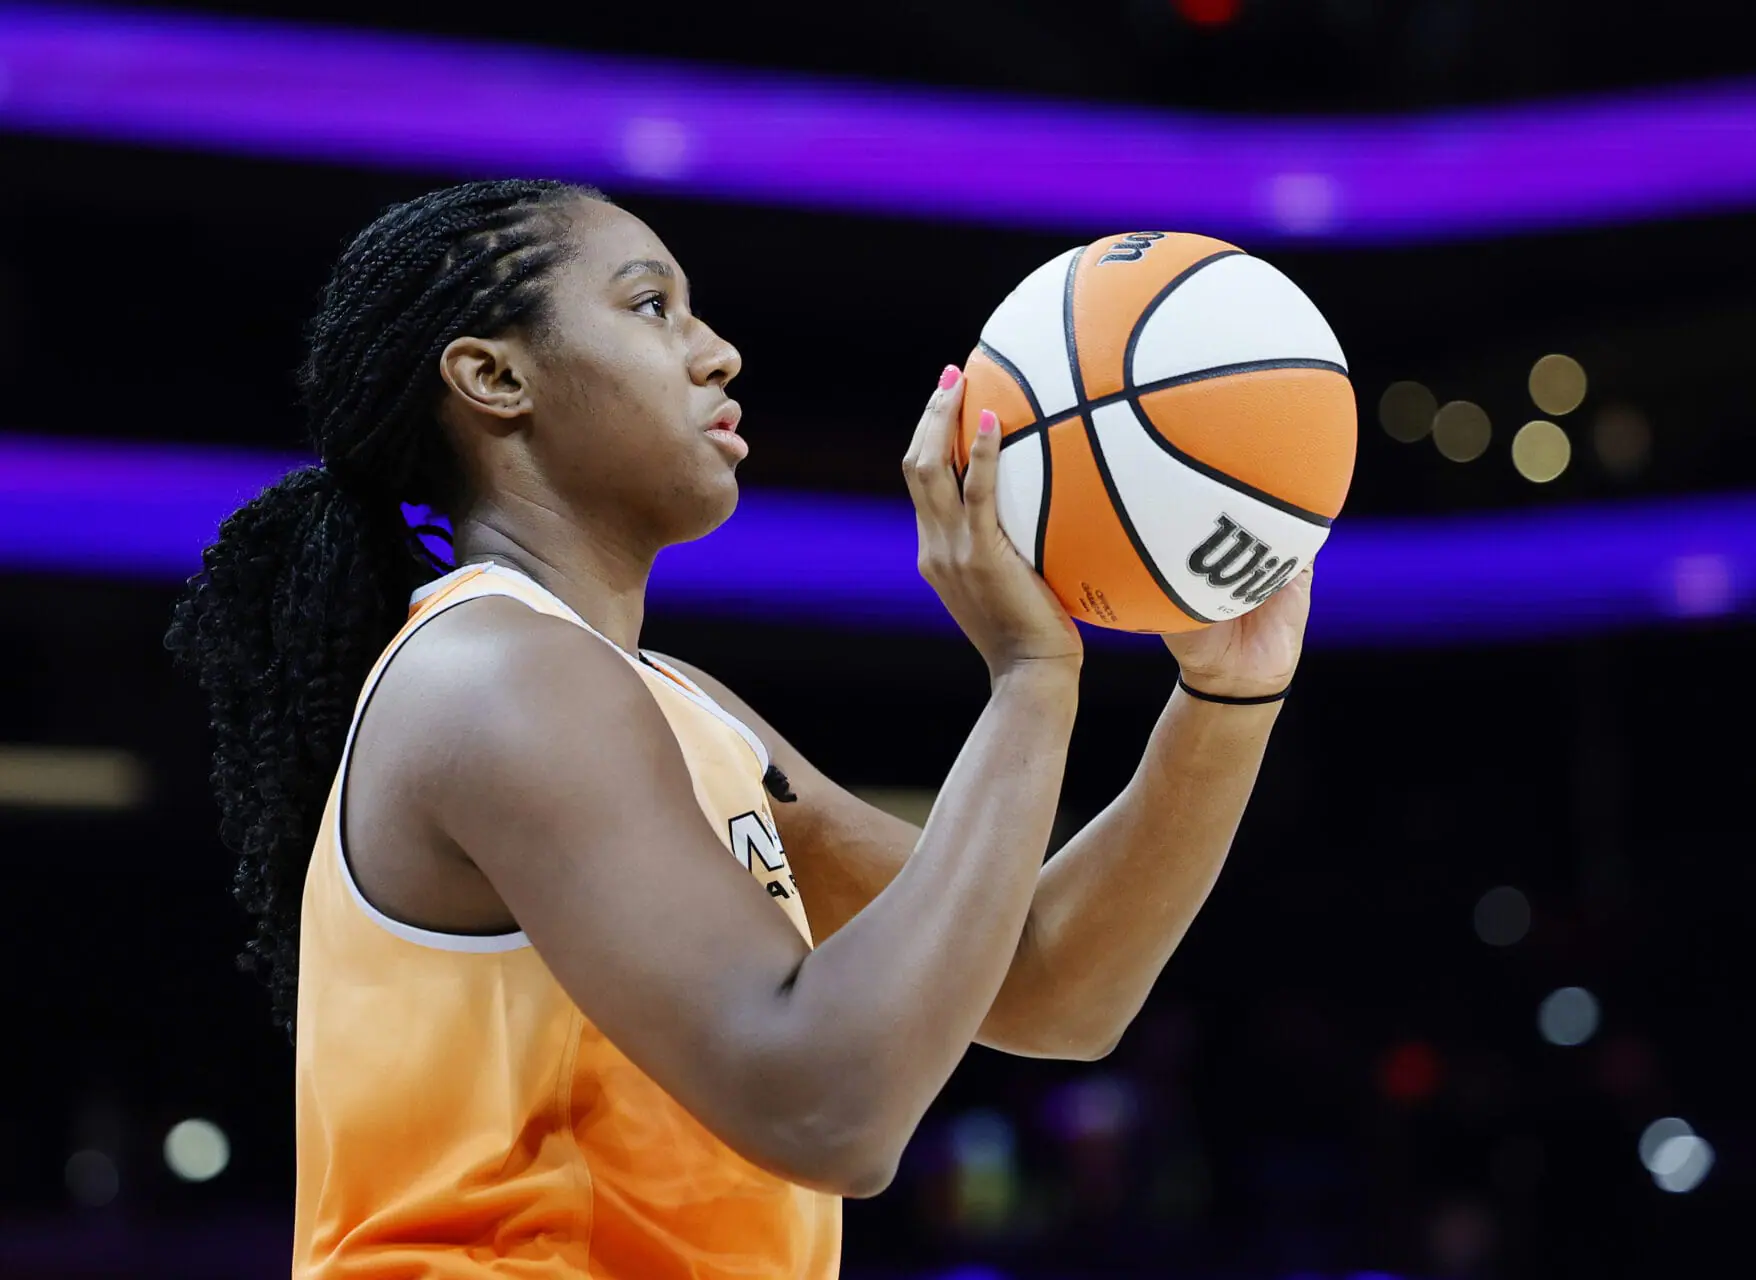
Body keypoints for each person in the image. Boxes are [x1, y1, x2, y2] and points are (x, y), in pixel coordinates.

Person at [166, 179, 1314, 1279]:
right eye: (649, 304)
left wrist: (1224, 695)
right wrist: (1029, 676)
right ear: (493, 376)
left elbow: (1051, 988)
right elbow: (825, 1106)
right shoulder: (495, 673)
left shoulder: (674, 701)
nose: (717, 350)